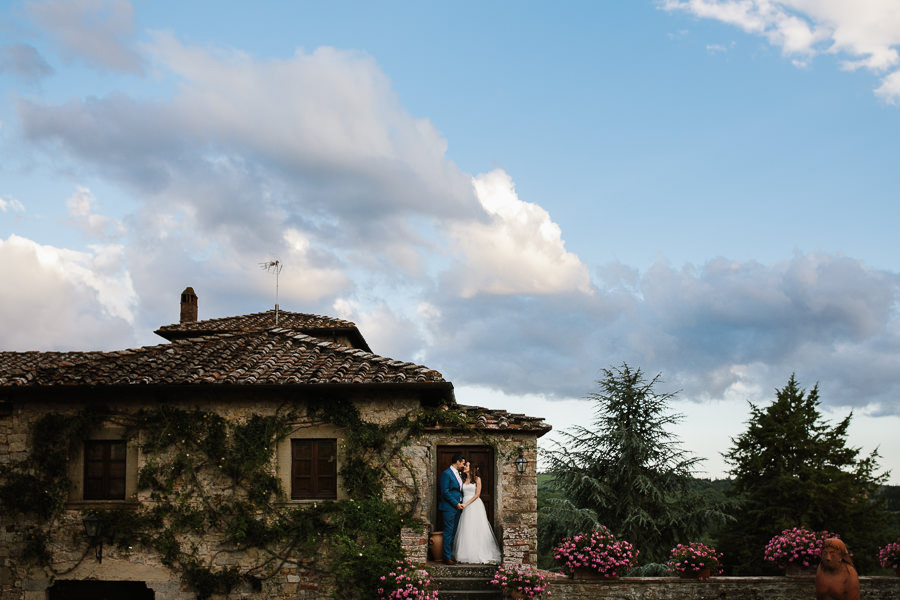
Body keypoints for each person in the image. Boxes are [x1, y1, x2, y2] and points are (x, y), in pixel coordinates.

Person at [452, 461, 502, 564]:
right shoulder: (463, 479)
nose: (464, 466)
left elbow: (477, 495)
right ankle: (465, 553)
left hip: (474, 505)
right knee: (466, 528)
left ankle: (479, 552)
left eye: (466, 465)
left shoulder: (477, 479)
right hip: (464, 504)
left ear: (472, 468)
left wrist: (466, 504)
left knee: (476, 528)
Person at [438, 454, 466, 565]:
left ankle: (451, 555)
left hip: (458, 508)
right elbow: (445, 492)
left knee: (454, 532)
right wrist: (456, 504)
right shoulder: (446, 474)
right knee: (448, 532)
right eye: (463, 463)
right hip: (449, 508)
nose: (463, 465)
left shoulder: (458, 474)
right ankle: (446, 557)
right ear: (457, 462)